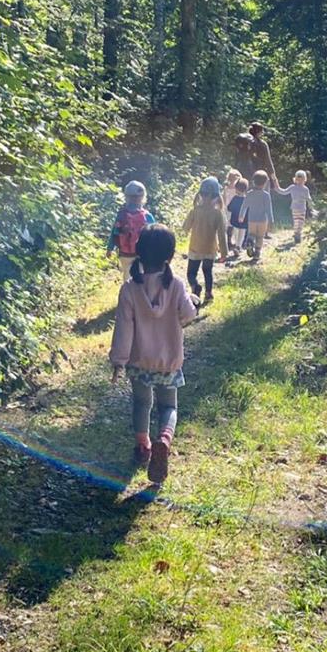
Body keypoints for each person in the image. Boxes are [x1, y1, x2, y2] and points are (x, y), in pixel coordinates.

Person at [109, 225, 197, 484]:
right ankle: (164, 440)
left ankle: (143, 446)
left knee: (141, 404)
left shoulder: (129, 289)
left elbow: (123, 329)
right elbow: (187, 316)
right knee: (168, 406)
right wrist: (194, 301)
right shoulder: (177, 285)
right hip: (169, 361)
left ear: (138, 253)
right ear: (169, 256)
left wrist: (118, 361)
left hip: (139, 362)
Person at [183, 176, 228, 305]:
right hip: (210, 249)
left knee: (191, 273)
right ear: (217, 197)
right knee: (207, 272)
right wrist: (224, 253)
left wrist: (186, 231)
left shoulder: (195, 211)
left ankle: (195, 287)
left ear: (200, 195)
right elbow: (221, 235)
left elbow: (185, 227)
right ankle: (208, 294)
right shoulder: (218, 214)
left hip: (195, 248)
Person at [107, 180, 155, 282]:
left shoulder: (121, 215)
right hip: (141, 253)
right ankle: (140, 294)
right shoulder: (147, 216)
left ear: (126, 197)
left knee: (127, 276)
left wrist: (109, 248)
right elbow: (155, 234)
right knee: (141, 275)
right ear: (143, 197)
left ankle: (128, 294)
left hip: (124, 253)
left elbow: (114, 233)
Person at [240, 170, 274, 260]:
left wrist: (241, 215)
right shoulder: (266, 195)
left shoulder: (249, 194)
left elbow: (244, 206)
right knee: (260, 237)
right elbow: (268, 209)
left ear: (253, 181)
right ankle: (257, 253)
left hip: (251, 220)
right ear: (265, 183)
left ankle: (250, 242)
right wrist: (271, 221)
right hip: (263, 220)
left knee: (251, 234)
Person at [275, 170, 316, 244]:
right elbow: (309, 199)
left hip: (295, 207)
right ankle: (297, 234)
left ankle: (296, 233)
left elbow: (283, 192)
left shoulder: (293, 187)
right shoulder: (305, 189)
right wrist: (312, 208)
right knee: (300, 221)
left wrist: (277, 187)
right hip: (301, 208)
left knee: (297, 221)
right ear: (305, 179)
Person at [227, 177, 249, 254]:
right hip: (244, 220)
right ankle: (238, 246)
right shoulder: (247, 199)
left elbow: (229, 208)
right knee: (242, 234)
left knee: (236, 232)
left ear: (236, 189)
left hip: (235, 219)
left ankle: (236, 245)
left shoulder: (235, 198)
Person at [222, 168, 241, 246]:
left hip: (228, 208)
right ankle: (232, 241)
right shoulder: (237, 189)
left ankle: (229, 241)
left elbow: (223, 198)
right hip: (234, 209)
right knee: (233, 225)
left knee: (229, 225)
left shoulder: (226, 189)